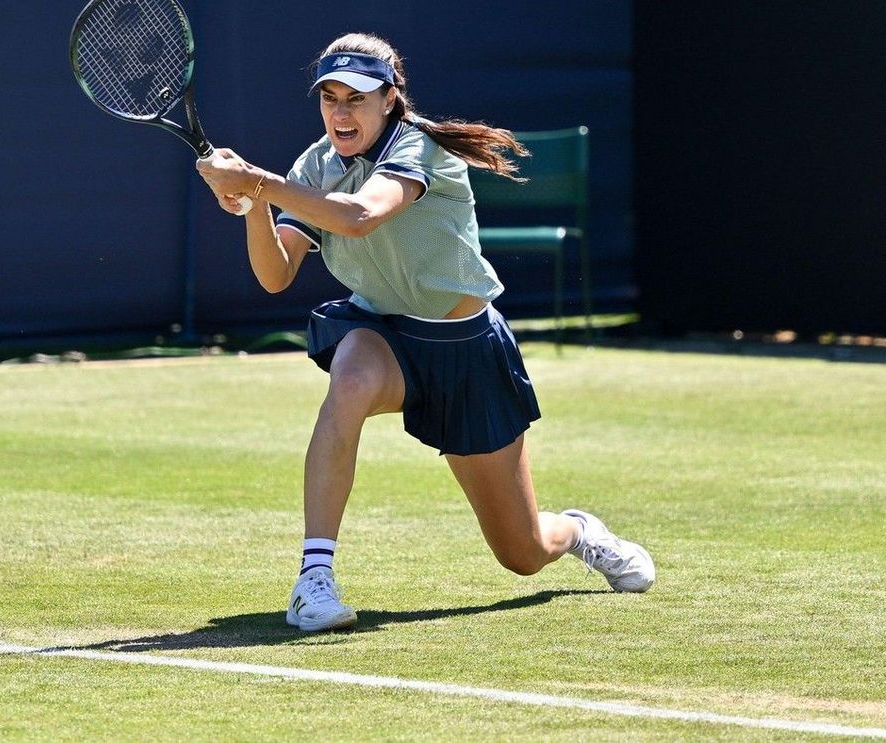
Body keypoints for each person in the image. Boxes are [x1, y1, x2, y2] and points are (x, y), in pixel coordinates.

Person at [196, 33, 655, 632]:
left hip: (465, 350)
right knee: (350, 380)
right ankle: (314, 579)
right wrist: (253, 207)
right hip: (382, 333)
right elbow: (276, 275)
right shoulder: (315, 165)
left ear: (389, 99)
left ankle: (577, 531)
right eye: (330, 98)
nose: (340, 112)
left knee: (523, 553)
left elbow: (361, 216)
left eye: (356, 98)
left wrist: (256, 182)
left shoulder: (421, 147)